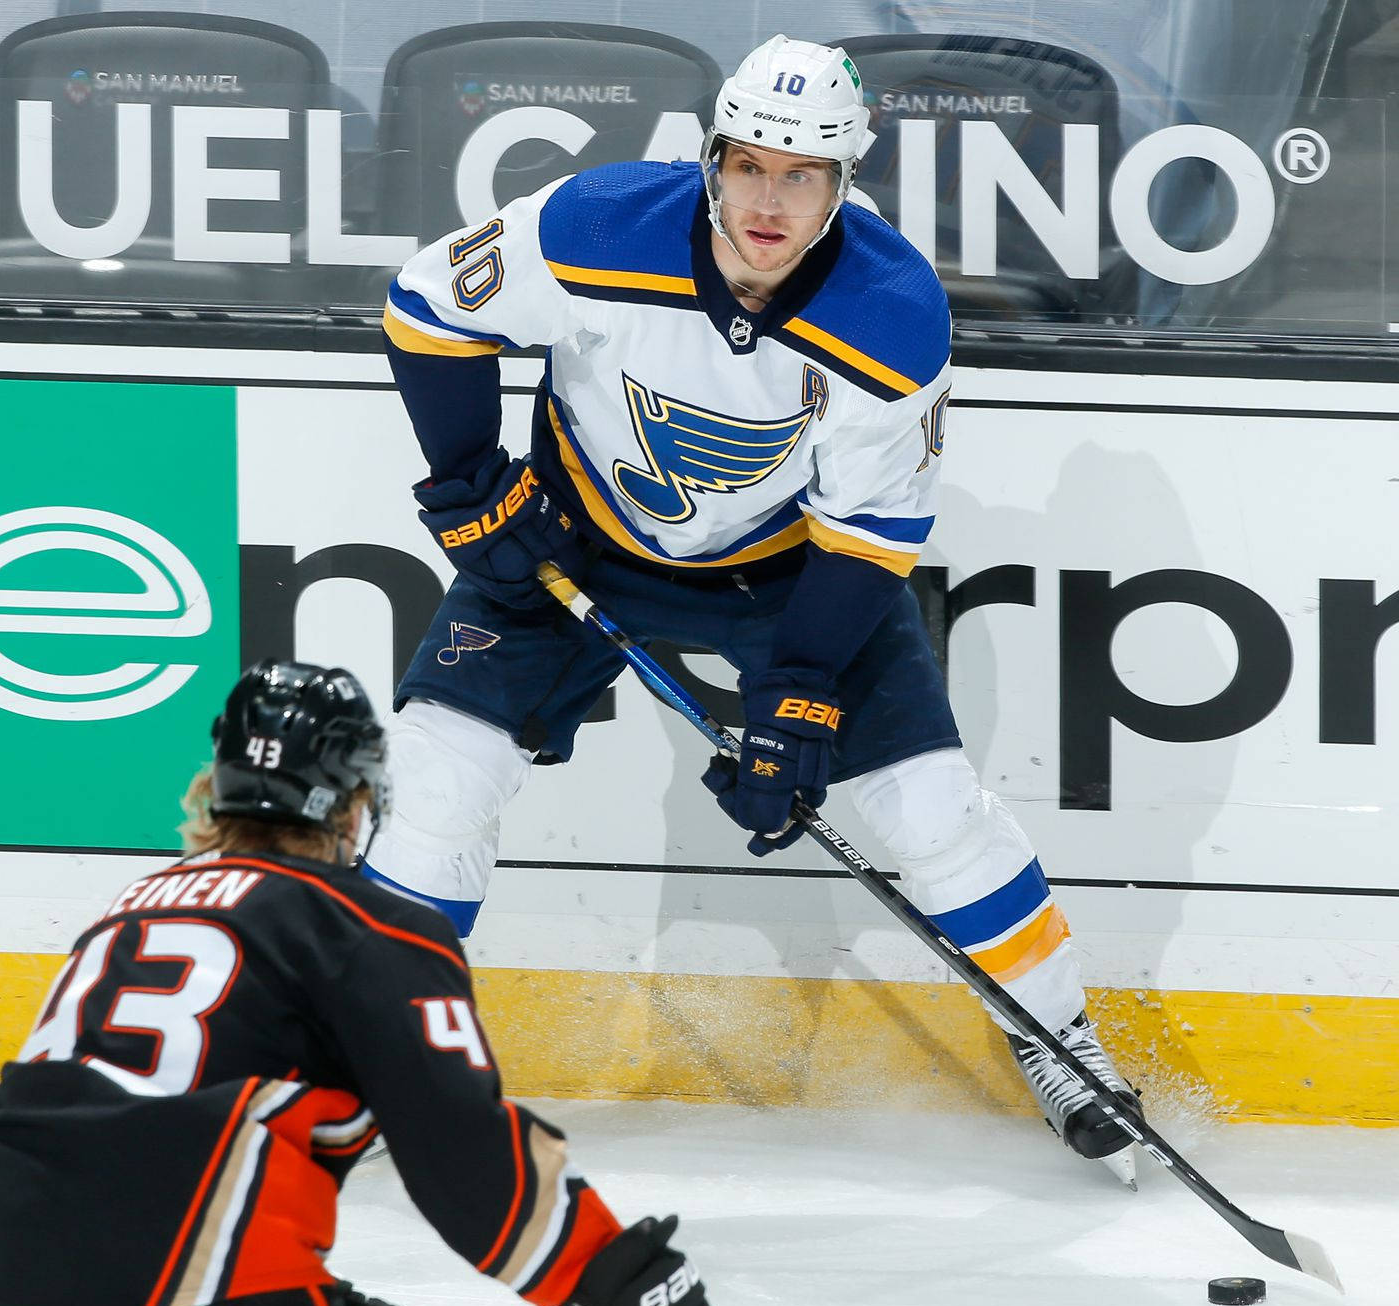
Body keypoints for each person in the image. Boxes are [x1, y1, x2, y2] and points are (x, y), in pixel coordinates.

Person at [370, 34, 1144, 1183]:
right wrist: (470, 481)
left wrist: (797, 688)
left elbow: (867, 532)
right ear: (710, 161)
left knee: (931, 811)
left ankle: (1061, 1037)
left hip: (789, 573)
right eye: (750, 166)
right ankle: (387, 1058)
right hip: (572, 539)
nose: (770, 199)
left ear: (844, 182)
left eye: (803, 174)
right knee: (437, 779)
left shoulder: (890, 312)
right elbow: (426, 307)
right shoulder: (591, 225)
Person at [0, 659, 731, 1306]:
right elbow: (462, 1154)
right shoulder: (368, 923)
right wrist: (616, 1275)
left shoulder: (130, 910)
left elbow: (94, 1132)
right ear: (353, 804)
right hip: (208, 1295)